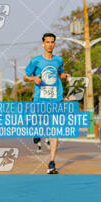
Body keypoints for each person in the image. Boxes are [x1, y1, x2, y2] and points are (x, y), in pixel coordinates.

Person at [24, 33, 70, 174]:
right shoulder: (36, 61)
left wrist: (65, 76)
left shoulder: (59, 60)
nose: (50, 44)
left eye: (52, 42)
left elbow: (58, 74)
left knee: (54, 129)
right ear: (43, 44)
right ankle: (37, 133)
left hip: (56, 98)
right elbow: (25, 77)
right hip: (40, 99)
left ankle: (51, 163)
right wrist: (34, 79)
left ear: (54, 44)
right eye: (47, 42)